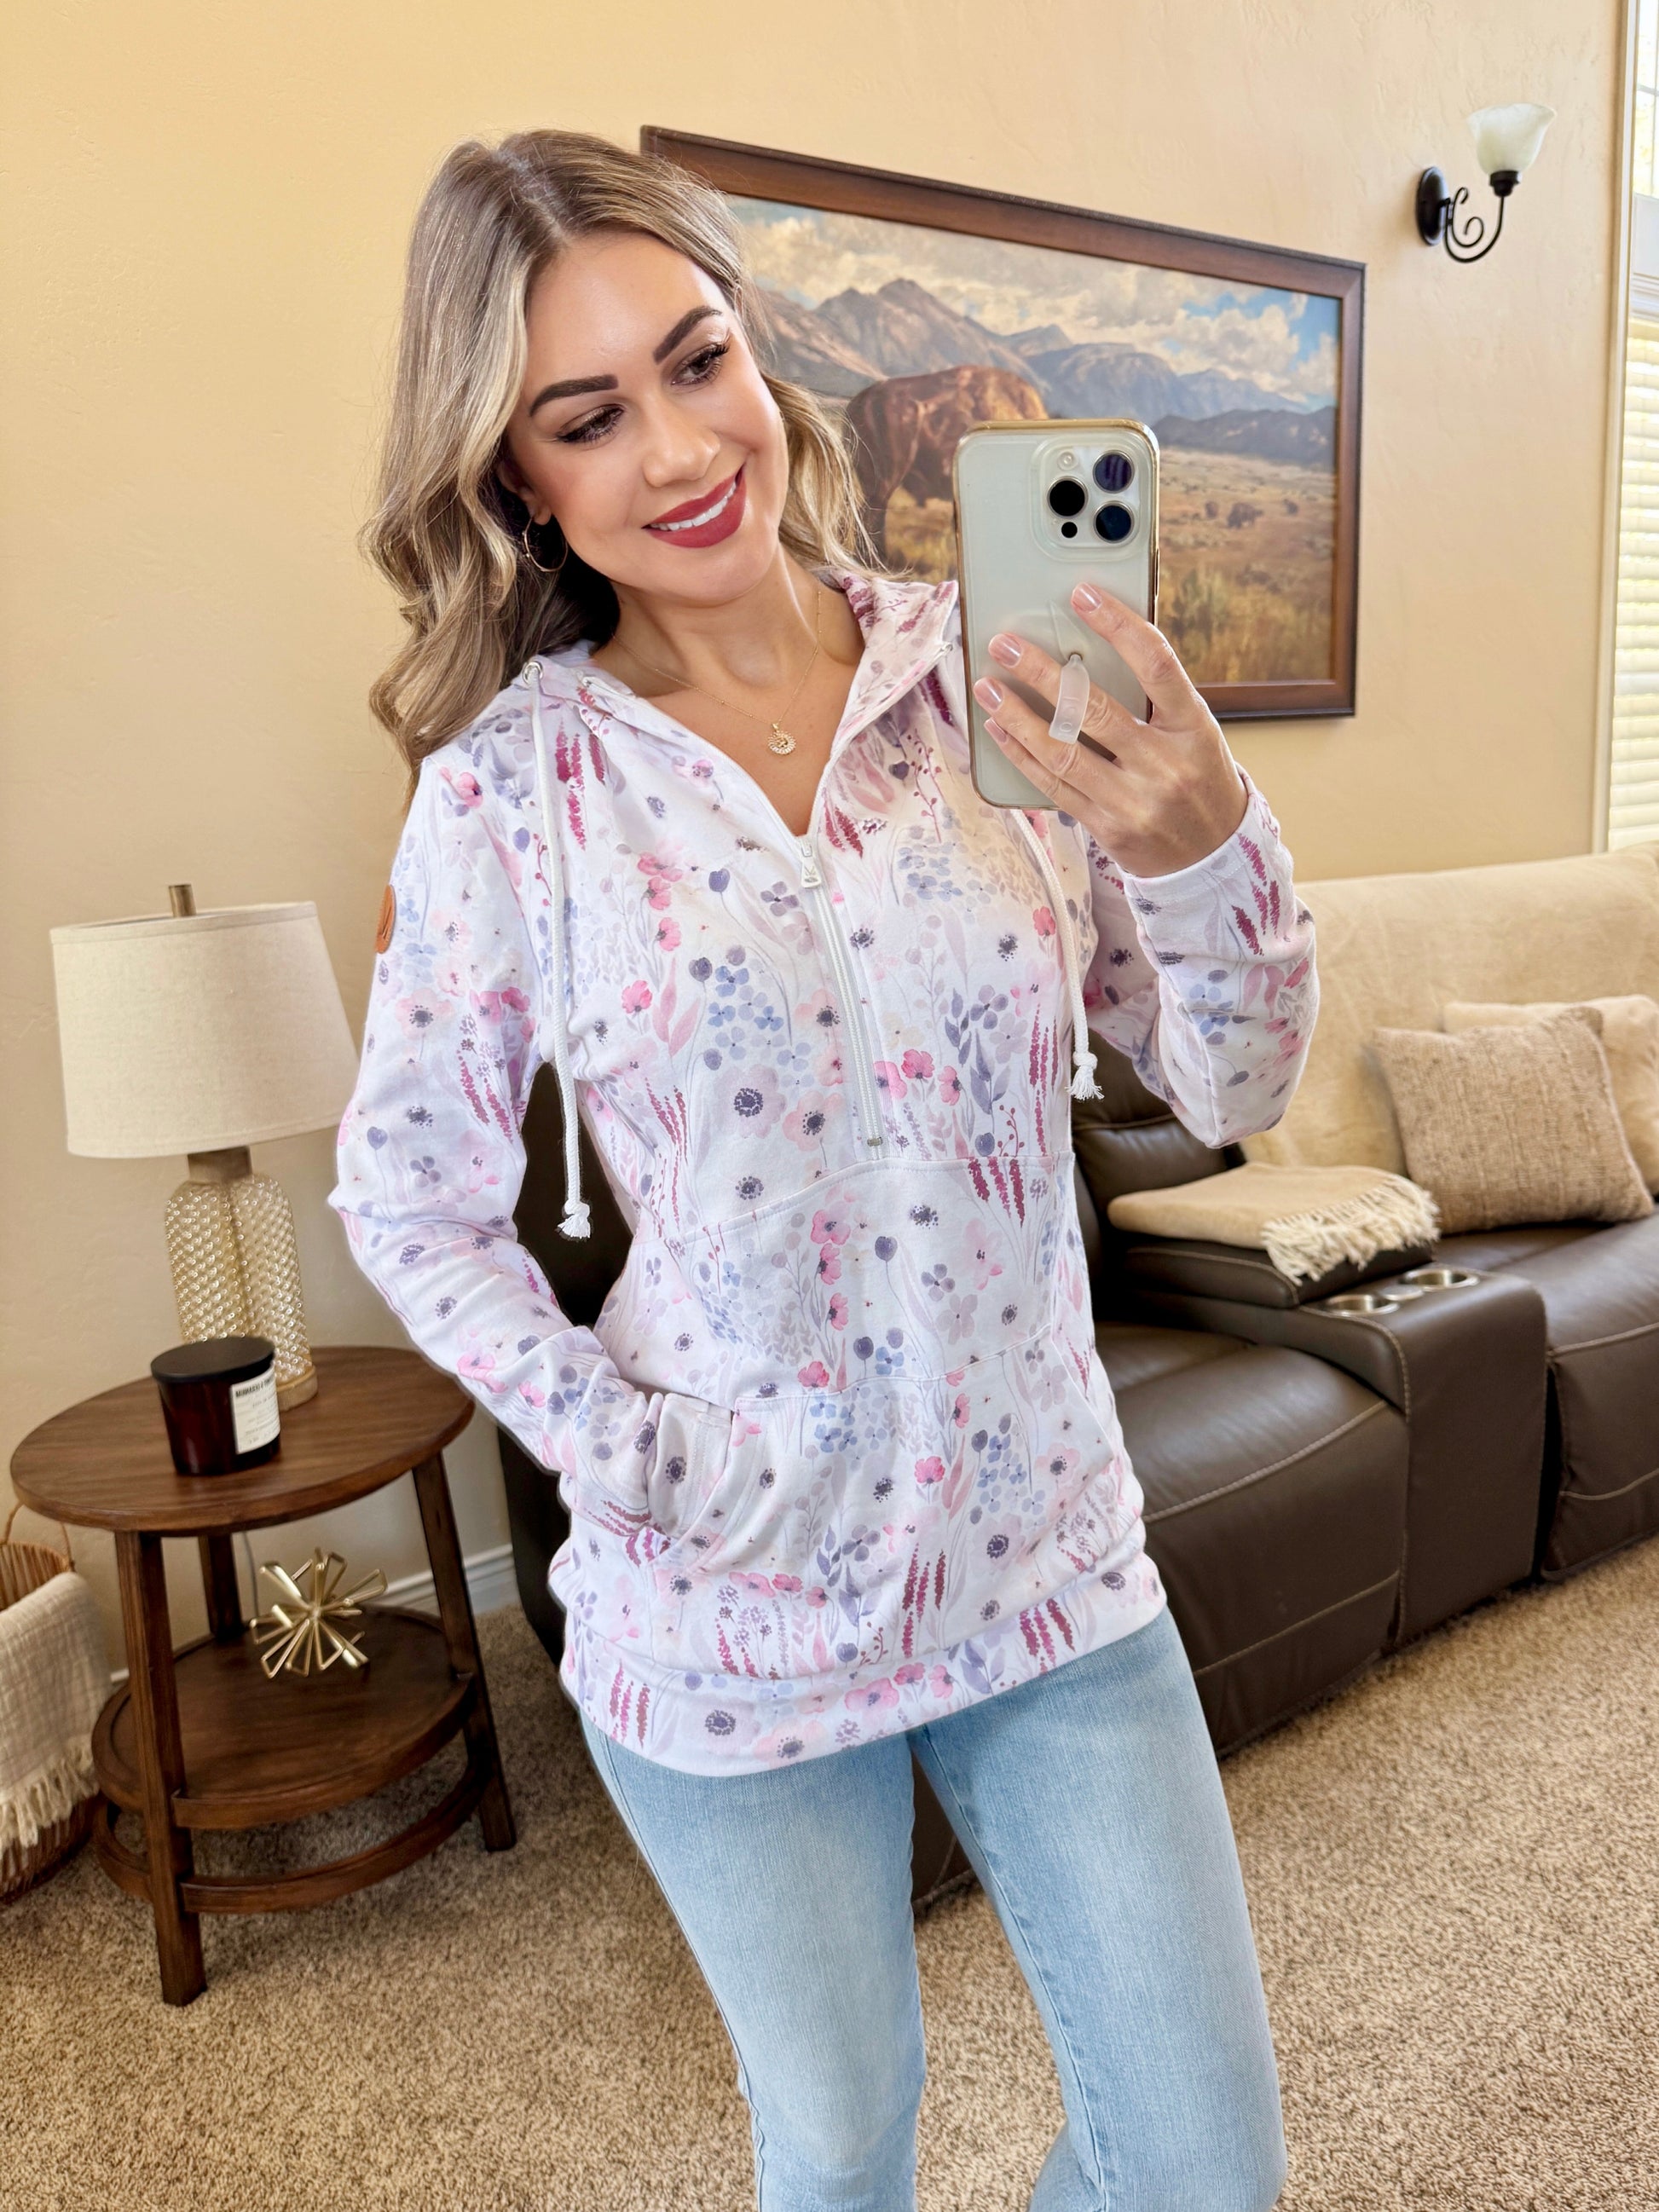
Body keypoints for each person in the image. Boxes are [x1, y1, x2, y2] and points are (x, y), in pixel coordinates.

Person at [330, 126, 1315, 2212]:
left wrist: (1205, 837)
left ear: (757, 351)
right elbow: (406, 1191)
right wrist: (636, 1450)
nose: (682, 448)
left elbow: (1230, 1080)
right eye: (588, 415)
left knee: (1200, 2164)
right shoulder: (513, 792)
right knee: (844, 2143)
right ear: (518, 478)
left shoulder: (994, 679)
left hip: (1047, 1558)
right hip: (731, 1610)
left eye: (698, 361)